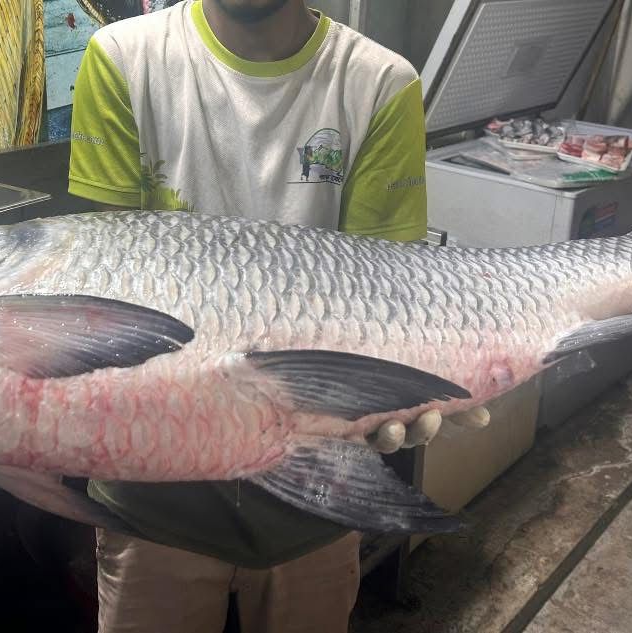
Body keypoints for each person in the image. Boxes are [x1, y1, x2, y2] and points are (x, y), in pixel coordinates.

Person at [67, 1, 439, 631]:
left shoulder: (377, 82)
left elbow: (384, 292)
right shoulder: (125, 59)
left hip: (318, 491)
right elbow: (108, 292)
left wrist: (407, 376)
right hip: (154, 500)